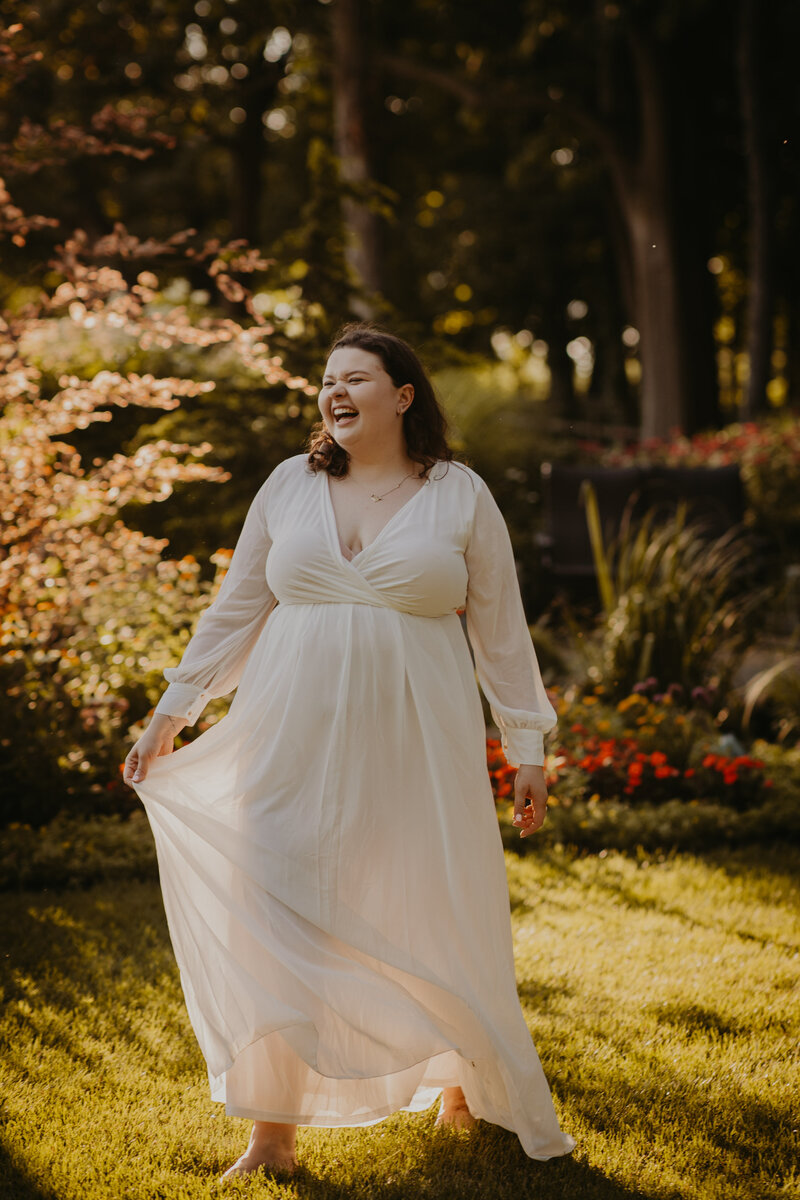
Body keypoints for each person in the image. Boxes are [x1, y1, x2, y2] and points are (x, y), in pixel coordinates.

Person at [124, 324, 575, 1179]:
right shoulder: (289, 486)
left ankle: (461, 1076)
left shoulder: (459, 494)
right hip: (288, 732)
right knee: (278, 906)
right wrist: (170, 716)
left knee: (430, 898)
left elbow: (501, 632)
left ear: (403, 397)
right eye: (326, 380)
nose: (334, 392)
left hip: (417, 735)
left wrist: (528, 747)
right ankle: (273, 1135)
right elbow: (235, 609)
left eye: (355, 379)